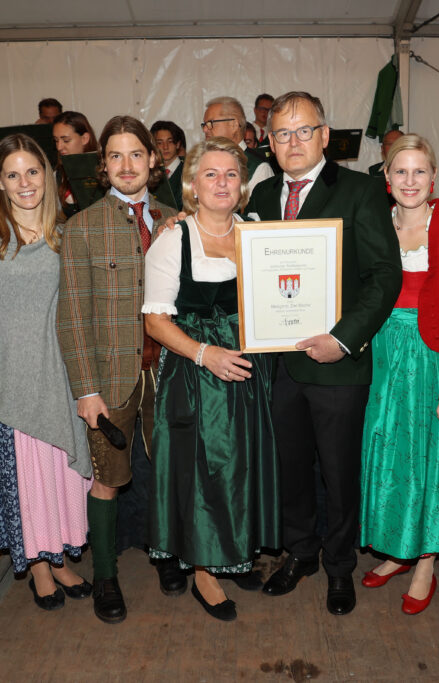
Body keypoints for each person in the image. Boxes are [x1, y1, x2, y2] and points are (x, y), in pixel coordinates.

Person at [250, 91, 401, 616]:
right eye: (282, 133)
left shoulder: (361, 190)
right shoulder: (262, 197)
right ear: (268, 142)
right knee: (290, 470)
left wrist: (342, 338)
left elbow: (385, 277)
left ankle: (340, 567)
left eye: (303, 130)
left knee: (338, 473)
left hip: (340, 363)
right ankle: (300, 554)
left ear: (324, 135)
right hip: (279, 364)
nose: (293, 142)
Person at [143, 137, 280, 621]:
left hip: (250, 366)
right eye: (210, 175)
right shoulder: (172, 239)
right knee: (205, 468)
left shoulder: (256, 230)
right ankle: (203, 568)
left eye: (230, 175)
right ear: (192, 185)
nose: (222, 183)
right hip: (198, 371)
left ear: (242, 184)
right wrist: (206, 354)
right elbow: (156, 322)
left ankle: (235, 547)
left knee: (242, 462)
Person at [56, 115, 184, 625]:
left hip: (170, 373)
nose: (126, 165)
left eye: (136, 154)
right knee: (108, 478)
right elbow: (72, 316)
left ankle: (167, 554)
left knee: (169, 471)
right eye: (115, 156)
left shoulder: (177, 219)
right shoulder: (82, 227)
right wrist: (86, 391)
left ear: (153, 160)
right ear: (101, 165)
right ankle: (105, 573)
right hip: (111, 380)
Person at [0, 133, 93, 612]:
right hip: (9, 381)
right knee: (28, 479)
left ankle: (60, 558)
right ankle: (39, 566)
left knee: (61, 474)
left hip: (62, 375)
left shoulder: (69, 233)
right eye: (12, 174)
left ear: (48, 175)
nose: (24, 183)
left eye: (32, 172)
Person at [359, 134, 439, 615]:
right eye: (400, 172)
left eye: (419, 171)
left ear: (434, 178)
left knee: (427, 462)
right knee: (387, 457)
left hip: (431, 359)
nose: (410, 181)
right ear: (387, 180)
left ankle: (425, 560)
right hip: (379, 357)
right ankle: (396, 550)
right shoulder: (373, 226)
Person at [202, 96, 273, 191]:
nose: (205, 129)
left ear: (234, 125)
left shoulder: (258, 168)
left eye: (210, 123)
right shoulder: (205, 162)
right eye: (204, 124)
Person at [51, 111, 99, 217]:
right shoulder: (57, 176)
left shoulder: (105, 169)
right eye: (56, 140)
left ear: (84, 138)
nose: (59, 147)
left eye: (66, 140)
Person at [151, 120, 185, 207]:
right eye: (159, 143)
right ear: (154, 146)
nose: (165, 147)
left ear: (177, 144)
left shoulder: (189, 170)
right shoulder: (150, 173)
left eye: (170, 141)